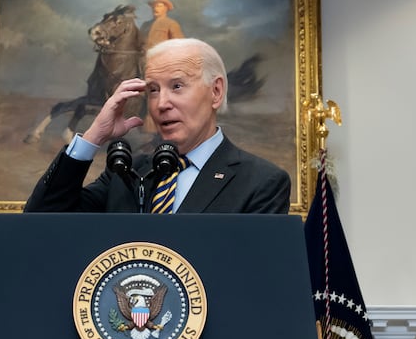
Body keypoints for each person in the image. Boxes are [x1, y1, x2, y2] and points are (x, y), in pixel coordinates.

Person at [25, 37, 291, 214]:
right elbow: (41, 217)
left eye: (177, 86)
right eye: (152, 90)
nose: (161, 103)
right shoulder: (126, 173)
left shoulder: (261, 182)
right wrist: (94, 136)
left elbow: (256, 279)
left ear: (216, 92)